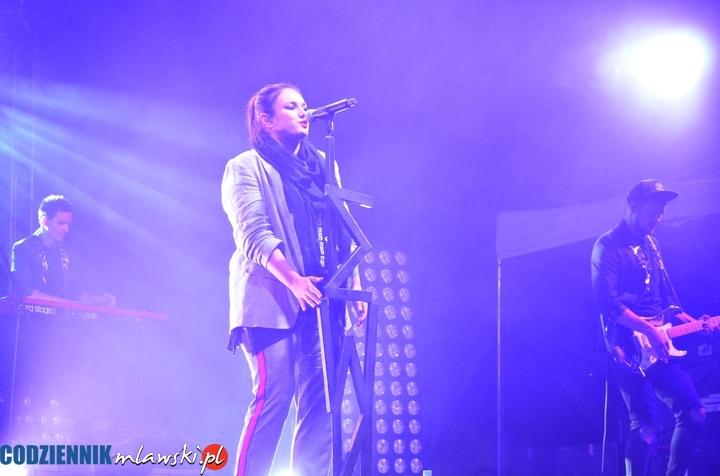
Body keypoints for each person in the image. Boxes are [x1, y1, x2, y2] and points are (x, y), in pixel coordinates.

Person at [221, 83, 366, 476]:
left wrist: (353, 285)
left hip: (321, 300)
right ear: (266, 120)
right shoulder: (245, 166)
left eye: (304, 105)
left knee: (320, 406)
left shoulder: (323, 164)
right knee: (275, 396)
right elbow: (254, 234)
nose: (304, 112)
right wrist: (294, 280)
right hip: (270, 298)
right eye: (291, 107)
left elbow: (341, 226)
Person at [591, 179, 718, 476]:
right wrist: (648, 330)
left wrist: (694, 323)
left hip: (661, 341)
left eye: (660, 214)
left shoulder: (652, 245)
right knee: (646, 428)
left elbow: (667, 301)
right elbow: (606, 303)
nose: (657, 219)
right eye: (651, 213)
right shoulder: (607, 245)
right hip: (627, 346)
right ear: (633, 207)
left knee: (695, 412)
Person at [11, 195, 116, 307]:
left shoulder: (70, 252)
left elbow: (76, 293)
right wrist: (66, 304)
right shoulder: (23, 248)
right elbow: (26, 292)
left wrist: (97, 301)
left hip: (63, 317)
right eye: (61, 223)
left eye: (68, 224)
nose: (66, 229)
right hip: (31, 317)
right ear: (45, 221)